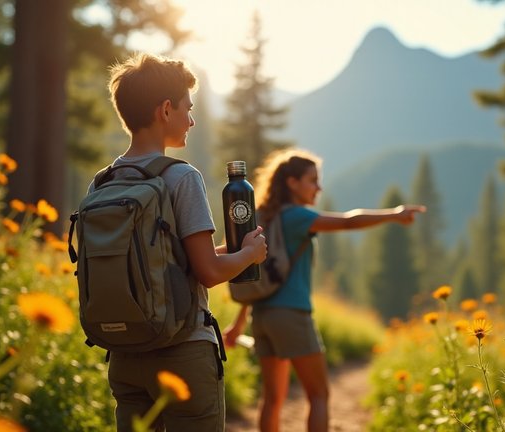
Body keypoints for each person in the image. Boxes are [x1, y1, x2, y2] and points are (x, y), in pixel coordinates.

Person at [95, 53, 267, 432]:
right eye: (188, 109)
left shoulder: (103, 182)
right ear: (166, 109)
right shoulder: (181, 177)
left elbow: (169, 261)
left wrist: (230, 252)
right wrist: (250, 254)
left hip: (124, 356)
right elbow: (207, 272)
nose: (191, 120)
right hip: (182, 352)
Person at [223, 149, 425, 432]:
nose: (318, 187)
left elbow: (257, 275)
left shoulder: (264, 216)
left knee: (272, 399)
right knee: (319, 395)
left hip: (263, 316)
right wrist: (394, 214)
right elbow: (347, 221)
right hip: (292, 315)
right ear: (292, 183)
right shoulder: (296, 217)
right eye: (312, 180)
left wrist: (238, 323)